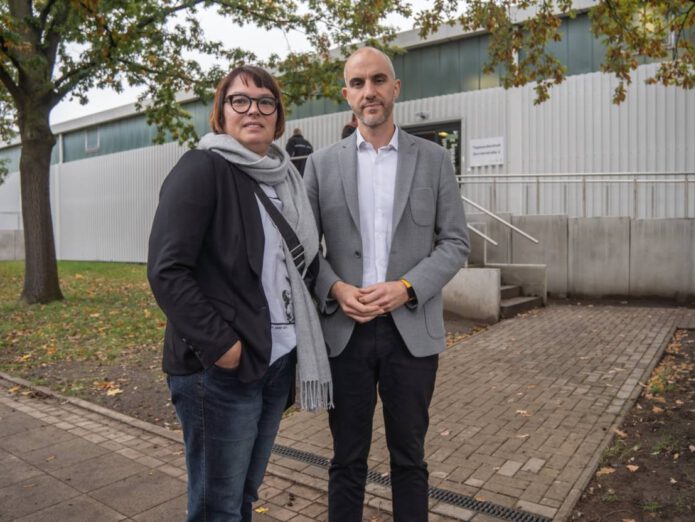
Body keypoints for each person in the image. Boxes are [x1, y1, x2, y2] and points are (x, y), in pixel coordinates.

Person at [147, 65, 332, 522]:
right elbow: (167, 270)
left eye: (265, 102)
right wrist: (222, 347)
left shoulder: (283, 179)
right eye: (240, 100)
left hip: (276, 362)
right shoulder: (202, 168)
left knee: (243, 496)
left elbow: (299, 266)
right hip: (222, 373)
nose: (254, 110)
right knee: (217, 508)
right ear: (221, 112)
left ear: (278, 116)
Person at [304, 47, 470, 521]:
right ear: (346, 95)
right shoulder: (321, 165)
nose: (368, 91)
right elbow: (306, 250)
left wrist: (407, 287)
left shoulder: (434, 160)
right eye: (357, 84)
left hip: (411, 334)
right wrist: (335, 289)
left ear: (395, 89)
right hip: (346, 334)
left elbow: (455, 242)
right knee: (347, 461)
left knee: (409, 460)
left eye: (378, 80)